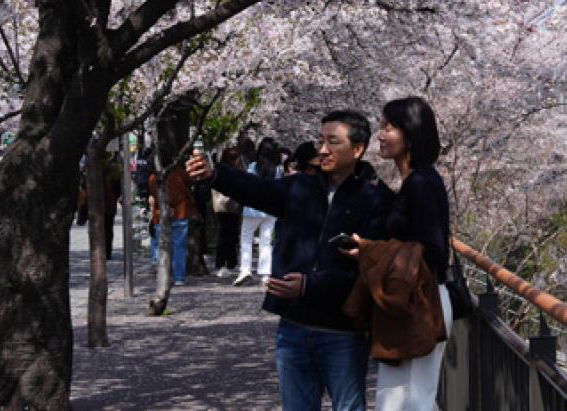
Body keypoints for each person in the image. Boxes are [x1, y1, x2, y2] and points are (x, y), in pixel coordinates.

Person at [189, 111, 389, 411]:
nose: (322, 150)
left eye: (333, 142)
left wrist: (310, 285)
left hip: (343, 333)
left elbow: (369, 269)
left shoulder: (376, 200)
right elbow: (256, 189)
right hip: (293, 328)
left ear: (358, 149)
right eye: (320, 141)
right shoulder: (301, 187)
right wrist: (215, 174)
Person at [342, 97, 453, 411]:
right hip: (410, 299)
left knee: (413, 399)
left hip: (423, 299)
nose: (381, 135)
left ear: (411, 132)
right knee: (398, 399)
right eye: (382, 127)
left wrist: (370, 251)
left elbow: (433, 253)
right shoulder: (415, 182)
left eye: (389, 127)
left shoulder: (421, 183)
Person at [236, 138, 285, 287]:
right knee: (266, 242)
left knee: (246, 239)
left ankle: (245, 270)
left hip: (252, 209)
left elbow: (248, 186)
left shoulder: (253, 167)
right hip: (270, 210)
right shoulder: (277, 170)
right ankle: (266, 274)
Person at [149, 161, 197, 286]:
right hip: (180, 213)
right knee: (179, 247)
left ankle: (163, 276)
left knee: (162, 246)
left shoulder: (153, 178)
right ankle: (179, 277)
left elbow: (154, 194)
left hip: (160, 214)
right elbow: (192, 180)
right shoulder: (179, 174)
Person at [213, 143, 245, 277]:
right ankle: (225, 263)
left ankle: (227, 263)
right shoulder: (227, 170)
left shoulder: (223, 168)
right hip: (229, 206)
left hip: (225, 206)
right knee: (228, 235)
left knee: (227, 235)